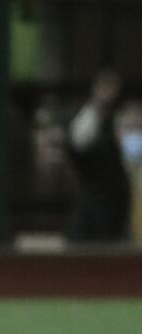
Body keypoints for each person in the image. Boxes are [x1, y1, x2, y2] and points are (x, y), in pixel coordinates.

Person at [65, 69, 130, 243]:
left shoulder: (122, 118)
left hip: (117, 199)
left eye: (113, 87)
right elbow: (78, 147)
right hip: (93, 200)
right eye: (105, 87)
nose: (109, 93)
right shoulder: (86, 119)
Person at [115, 100, 142, 244]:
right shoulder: (105, 176)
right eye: (131, 128)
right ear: (118, 132)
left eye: (141, 128)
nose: (137, 134)